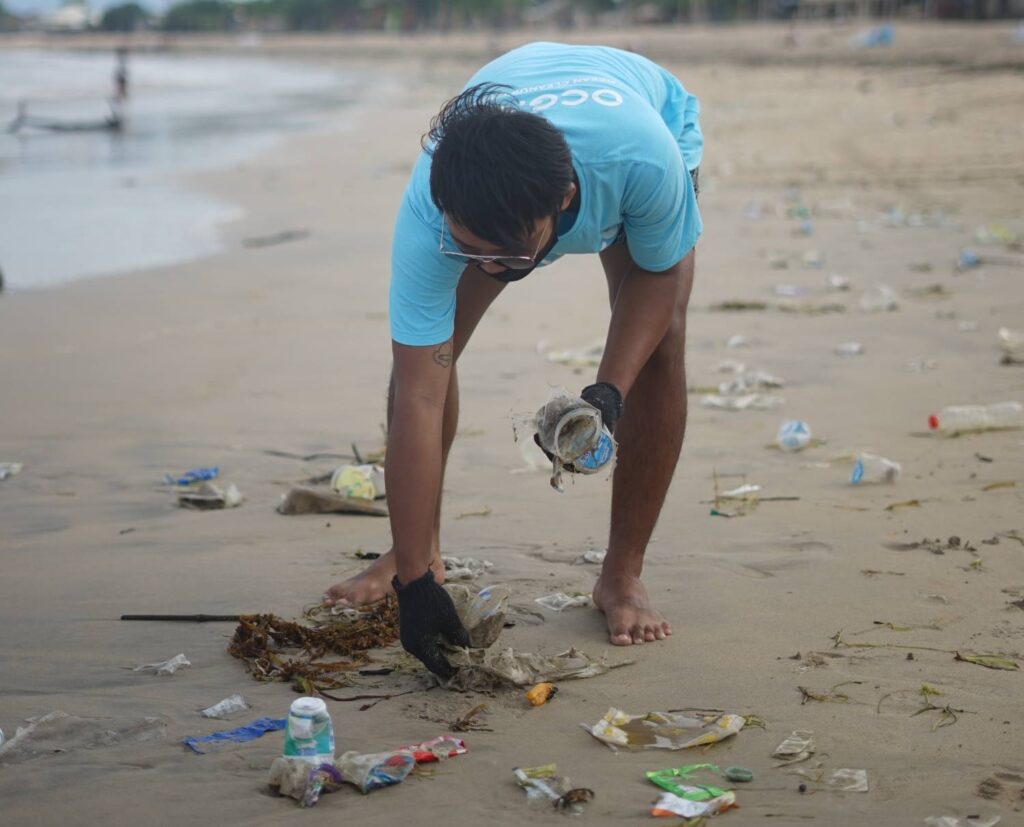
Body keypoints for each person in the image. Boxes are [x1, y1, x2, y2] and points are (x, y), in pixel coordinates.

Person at [324, 42, 703, 679]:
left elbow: (657, 280)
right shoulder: (430, 213)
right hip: (508, 165)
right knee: (426, 366)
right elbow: (419, 393)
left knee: (662, 348)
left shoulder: (641, 159)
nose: (491, 271)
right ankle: (415, 552)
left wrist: (608, 392)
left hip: (643, 118)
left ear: (564, 202)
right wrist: (417, 587)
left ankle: (622, 576)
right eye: (472, 252)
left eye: (509, 258)